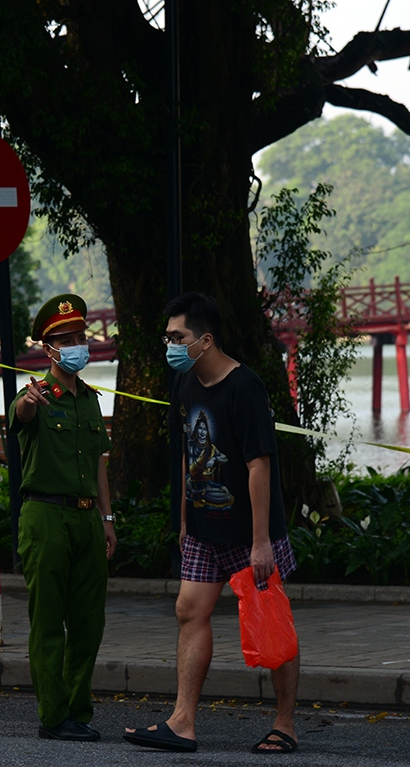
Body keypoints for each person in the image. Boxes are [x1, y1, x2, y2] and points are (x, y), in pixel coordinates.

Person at [123, 291, 300, 755]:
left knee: (271, 624)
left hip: (249, 531)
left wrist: (261, 542)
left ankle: (286, 725)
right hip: (203, 527)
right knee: (188, 611)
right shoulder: (184, 385)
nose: (170, 346)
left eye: (177, 337)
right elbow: (187, 455)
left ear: (204, 339)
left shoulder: (245, 387)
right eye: (167, 337)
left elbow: (259, 464)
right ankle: (182, 722)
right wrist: (185, 519)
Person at [9, 293, 118, 742]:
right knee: (49, 622)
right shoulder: (35, 393)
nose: (77, 346)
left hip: (88, 519)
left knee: (90, 622)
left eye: (80, 337)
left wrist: (109, 520)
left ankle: (78, 709)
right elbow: (23, 412)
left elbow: (99, 464)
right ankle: (53, 716)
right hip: (46, 518)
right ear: (48, 349)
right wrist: (30, 402)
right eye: (66, 340)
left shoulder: (91, 400)